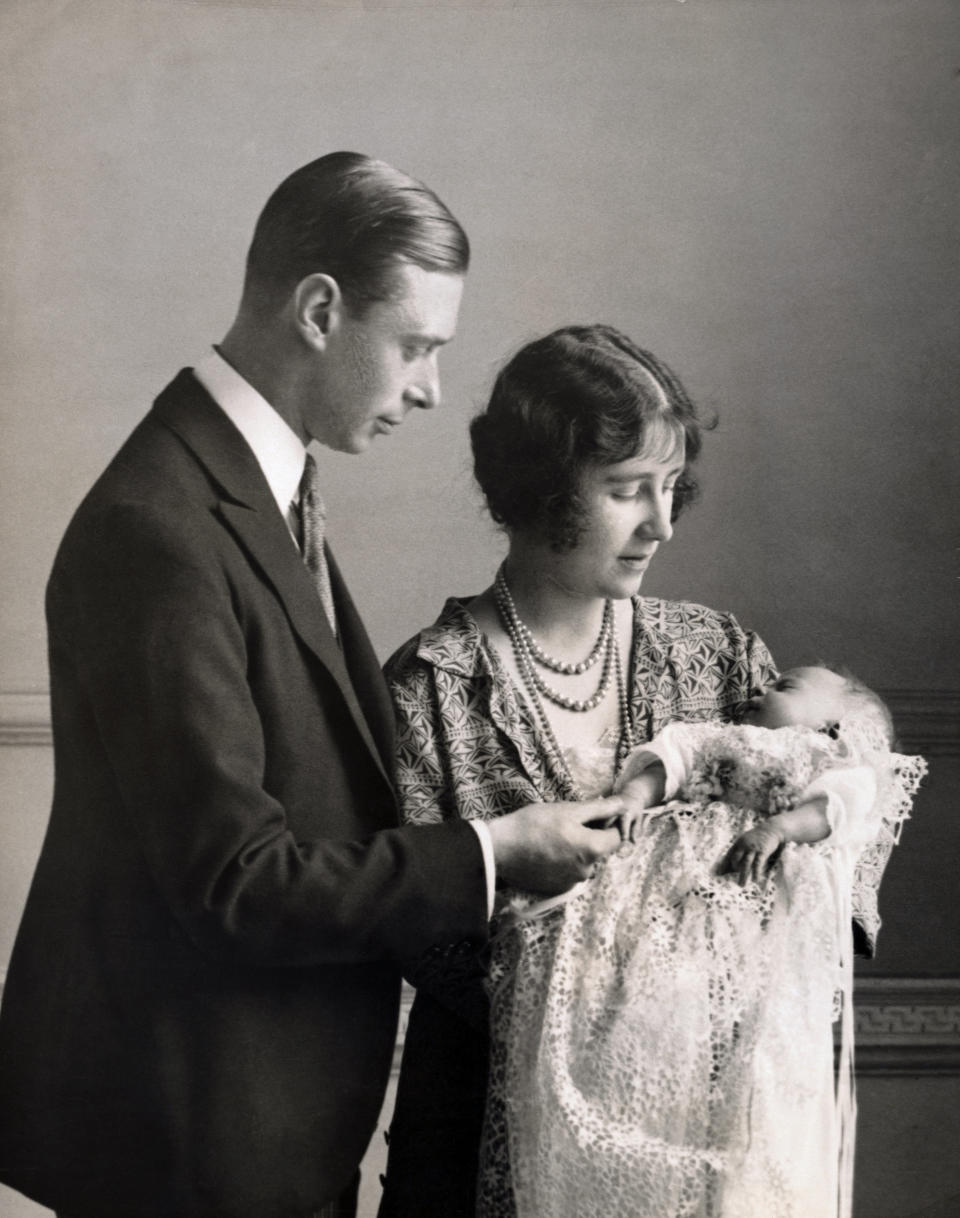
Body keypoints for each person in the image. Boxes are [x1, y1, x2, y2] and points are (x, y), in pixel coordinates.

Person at [0, 155, 622, 1218]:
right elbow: (236, 881)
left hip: (265, 1128)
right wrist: (493, 853)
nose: (429, 388)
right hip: (193, 1147)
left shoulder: (250, 493)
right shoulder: (159, 527)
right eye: (417, 347)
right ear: (322, 310)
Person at [378, 323, 786, 1217]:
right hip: (478, 1131)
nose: (663, 524)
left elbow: (834, 842)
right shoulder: (431, 686)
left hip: (695, 1138)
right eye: (627, 491)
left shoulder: (719, 656)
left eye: (671, 488)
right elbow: (412, 921)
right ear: (540, 491)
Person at [483, 666, 926, 1218]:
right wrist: (632, 797)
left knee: (737, 1034)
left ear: (835, 725)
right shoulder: (722, 736)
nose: (758, 689)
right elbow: (673, 759)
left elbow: (834, 809)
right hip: (663, 878)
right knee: (639, 974)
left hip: (744, 894)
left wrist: (776, 830)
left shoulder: (833, 762)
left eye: (785, 688)